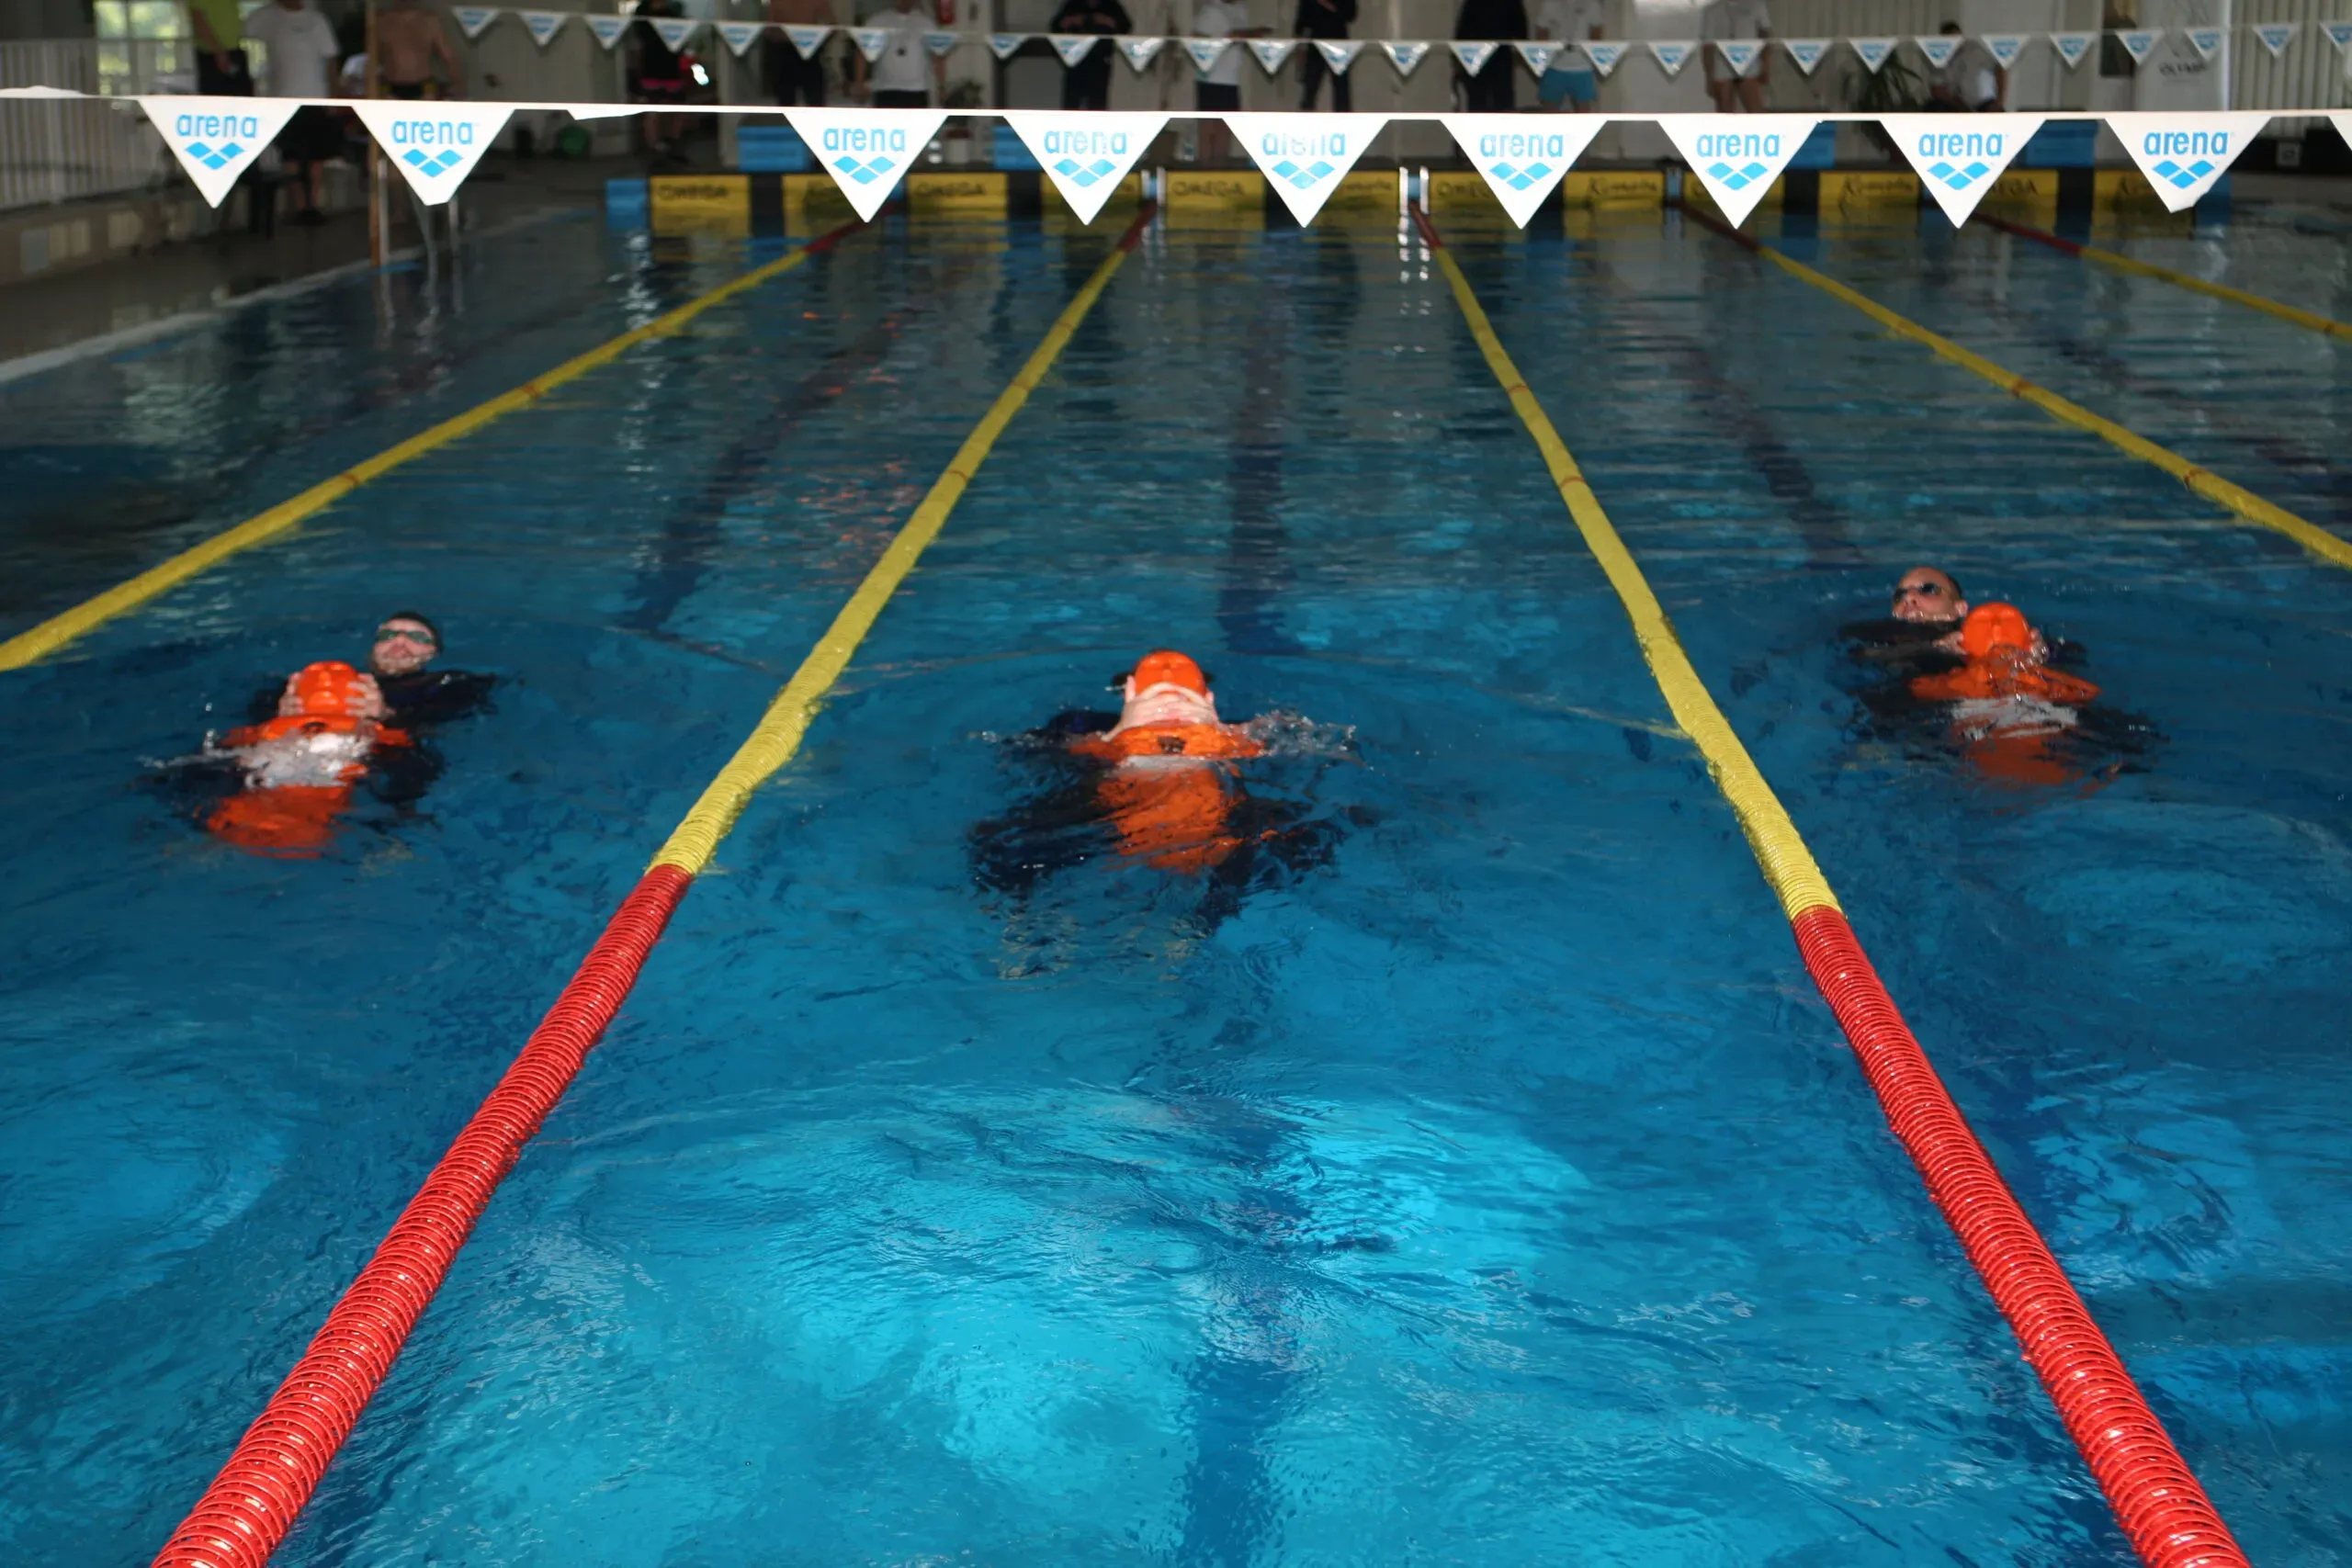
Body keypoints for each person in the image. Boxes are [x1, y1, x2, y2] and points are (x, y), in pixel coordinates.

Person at [971, 651, 1351, 924]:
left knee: (1324, 829)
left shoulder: (1244, 734)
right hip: (1106, 817)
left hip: (1221, 821)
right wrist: (1117, 736)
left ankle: (1198, 925)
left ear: (1210, 704)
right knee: (1001, 842)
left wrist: (1231, 734)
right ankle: (1021, 924)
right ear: (1128, 698)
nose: (1170, 708)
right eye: (1156, 701)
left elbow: (1327, 747)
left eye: (1184, 700)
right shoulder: (1091, 735)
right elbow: (1022, 753)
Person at [204, 660, 413, 856]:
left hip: (251, 809)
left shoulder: (266, 730)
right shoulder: (367, 731)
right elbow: (406, 749)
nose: (325, 680)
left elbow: (222, 748)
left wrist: (385, 717)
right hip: (313, 818)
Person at [1908, 604, 2103, 786]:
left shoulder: (1958, 680)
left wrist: (1940, 653)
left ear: (1960, 643)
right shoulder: (2040, 677)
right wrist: (2041, 662)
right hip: (2048, 732)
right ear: (2032, 639)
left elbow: (1919, 688)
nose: (1995, 627)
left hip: (1982, 740)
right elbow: (2087, 693)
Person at [243, 0, 343, 225]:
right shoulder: (266, 17)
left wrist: (334, 95)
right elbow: (243, 33)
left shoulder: (316, 21)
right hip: (282, 100)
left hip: (315, 97)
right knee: (290, 154)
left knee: (316, 155)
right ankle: (299, 206)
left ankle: (313, 204)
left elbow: (331, 59)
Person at [1191, 0, 1263, 164]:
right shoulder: (1211, 9)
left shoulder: (1241, 9)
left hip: (1231, 78)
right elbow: (1197, 38)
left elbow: (1241, 39)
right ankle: (1204, 164)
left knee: (1227, 124)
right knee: (1208, 126)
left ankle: (1220, 164)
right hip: (1211, 76)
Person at [629, 0, 695, 162]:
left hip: (672, 68)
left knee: (678, 108)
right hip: (651, 68)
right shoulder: (642, 13)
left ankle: (672, 143)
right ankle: (654, 148)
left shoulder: (673, 13)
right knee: (653, 111)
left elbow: (681, 37)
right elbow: (641, 38)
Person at [853, 0, 944, 107]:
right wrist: (859, 83)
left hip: (917, 89)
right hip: (885, 88)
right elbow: (862, 53)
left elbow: (937, 56)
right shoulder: (877, 21)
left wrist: (941, 86)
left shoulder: (926, 23)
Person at [1050, 0, 1133, 111]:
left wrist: (1107, 21)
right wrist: (1072, 20)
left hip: (1100, 61)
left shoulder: (1111, 5)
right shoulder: (1073, 4)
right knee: (1071, 104)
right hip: (1076, 62)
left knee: (1097, 104)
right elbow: (1056, 26)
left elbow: (1125, 27)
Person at [1453, 0, 1528, 113]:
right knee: (1480, 98)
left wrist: (1521, 49)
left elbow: (1520, 27)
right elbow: (1464, 28)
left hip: (1497, 55)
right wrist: (1457, 56)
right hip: (1481, 55)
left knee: (1499, 98)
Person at [377, 0, 461, 97]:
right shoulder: (381, 21)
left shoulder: (430, 21)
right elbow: (371, 59)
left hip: (424, 88)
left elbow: (449, 56)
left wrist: (458, 85)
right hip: (390, 88)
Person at [1701, 0, 1770, 113]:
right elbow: (1707, 46)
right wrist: (1709, 76)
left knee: (1756, 111)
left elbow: (1766, 36)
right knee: (1725, 112)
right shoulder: (1711, 11)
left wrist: (1765, 65)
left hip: (1749, 64)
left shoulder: (1756, 5)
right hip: (1722, 66)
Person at [1533, 0, 1601, 111]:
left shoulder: (1592, 4)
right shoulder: (1549, 3)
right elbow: (1542, 31)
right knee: (1549, 110)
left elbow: (1597, 32)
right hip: (1553, 66)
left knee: (1584, 111)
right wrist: (1542, 60)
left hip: (1583, 67)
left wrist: (1593, 56)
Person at [765, 0, 834, 106]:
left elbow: (833, 26)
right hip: (789, 50)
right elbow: (768, 30)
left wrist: (818, 41)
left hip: (804, 49)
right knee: (788, 99)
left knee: (813, 99)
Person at [1926, 22, 2006, 111]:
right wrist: (1960, 105)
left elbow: (2000, 69)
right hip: (1956, 104)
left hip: (1984, 102)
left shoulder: (1973, 50)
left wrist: (2000, 100)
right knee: (1934, 106)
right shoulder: (1939, 57)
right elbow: (1936, 88)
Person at [1295, 0, 1357, 112]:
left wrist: (1329, 5)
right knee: (1310, 86)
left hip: (1338, 42)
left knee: (1341, 89)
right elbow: (1301, 21)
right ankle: (1306, 118)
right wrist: (1301, 46)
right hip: (1315, 42)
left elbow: (1351, 14)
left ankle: (1344, 119)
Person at [187, 0, 253, 95]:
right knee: (217, 95)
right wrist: (218, 50)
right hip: (212, 53)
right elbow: (199, 23)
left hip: (234, 50)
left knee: (243, 94)